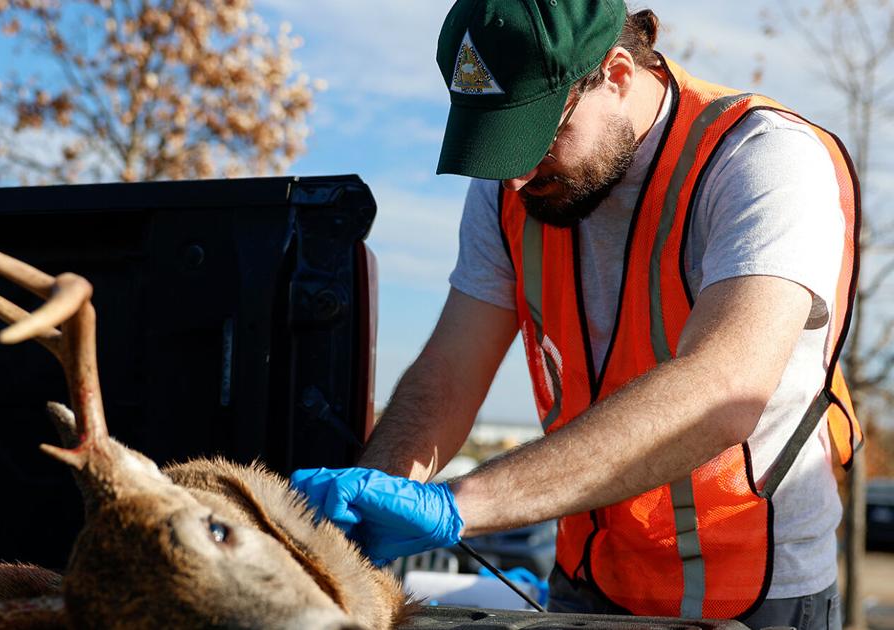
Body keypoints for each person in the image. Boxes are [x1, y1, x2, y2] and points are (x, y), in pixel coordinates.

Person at [290, 1, 862, 628]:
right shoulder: (513, 184)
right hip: (586, 578)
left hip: (752, 596)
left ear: (617, 73)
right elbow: (450, 371)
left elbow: (724, 389)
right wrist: (367, 505)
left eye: (537, 133)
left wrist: (458, 504)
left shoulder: (761, 159)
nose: (515, 177)